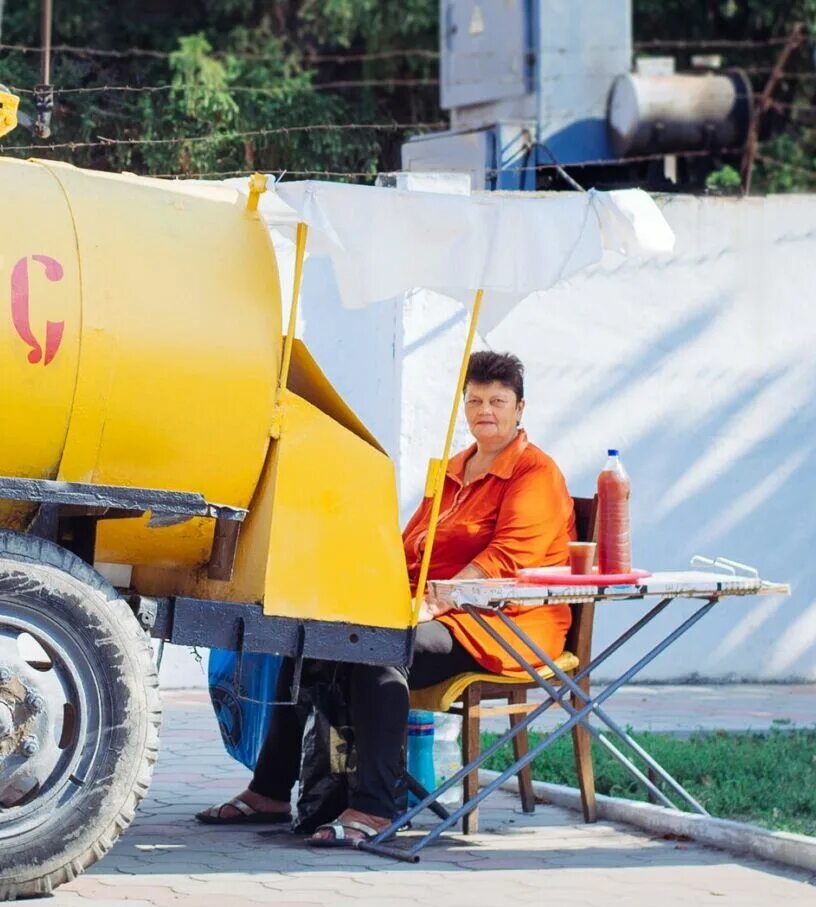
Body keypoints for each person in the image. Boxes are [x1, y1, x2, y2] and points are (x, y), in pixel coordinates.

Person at [195, 350, 574, 845]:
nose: (486, 409)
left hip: (501, 625)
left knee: (377, 652)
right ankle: (269, 789)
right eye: (476, 399)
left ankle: (374, 808)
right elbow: (411, 544)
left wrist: (432, 603)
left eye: (498, 401)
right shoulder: (454, 468)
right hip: (431, 610)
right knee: (310, 641)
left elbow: (503, 561)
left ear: (520, 408)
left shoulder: (535, 474)